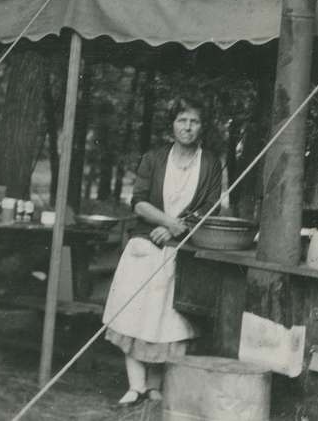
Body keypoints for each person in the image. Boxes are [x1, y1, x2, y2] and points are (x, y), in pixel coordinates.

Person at [103, 96, 223, 406]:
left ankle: (155, 386)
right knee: (135, 315)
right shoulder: (153, 158)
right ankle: (135, 386)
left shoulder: (210, 163)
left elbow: (210, 208)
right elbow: (139, 202)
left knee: (167, 319)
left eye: (194, 121)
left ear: (202, 127)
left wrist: (174, 229)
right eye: (182, 120)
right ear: (172, 125)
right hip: (145, 243)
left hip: (182, 247)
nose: (187, 127)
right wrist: (167, 220)